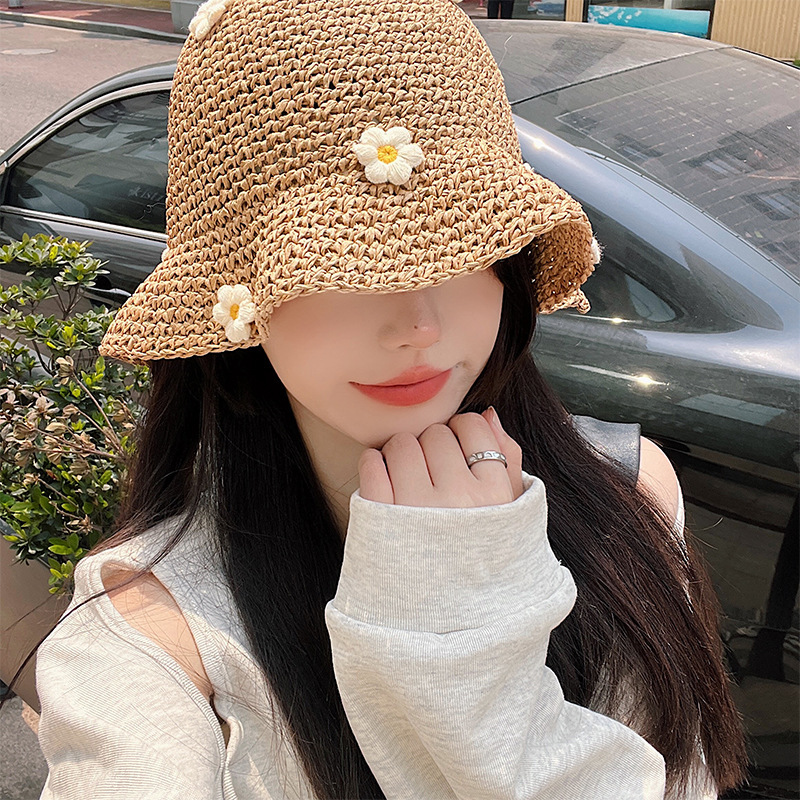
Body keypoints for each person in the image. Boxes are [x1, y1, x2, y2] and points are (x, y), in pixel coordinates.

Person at [23, 0, 747, 797]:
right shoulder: (151, 642)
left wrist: (465, 645)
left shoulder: (630, 493)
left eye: (463, 243)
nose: (418, 324)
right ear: (237, 292)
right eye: (337, 264)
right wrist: (456, 643)